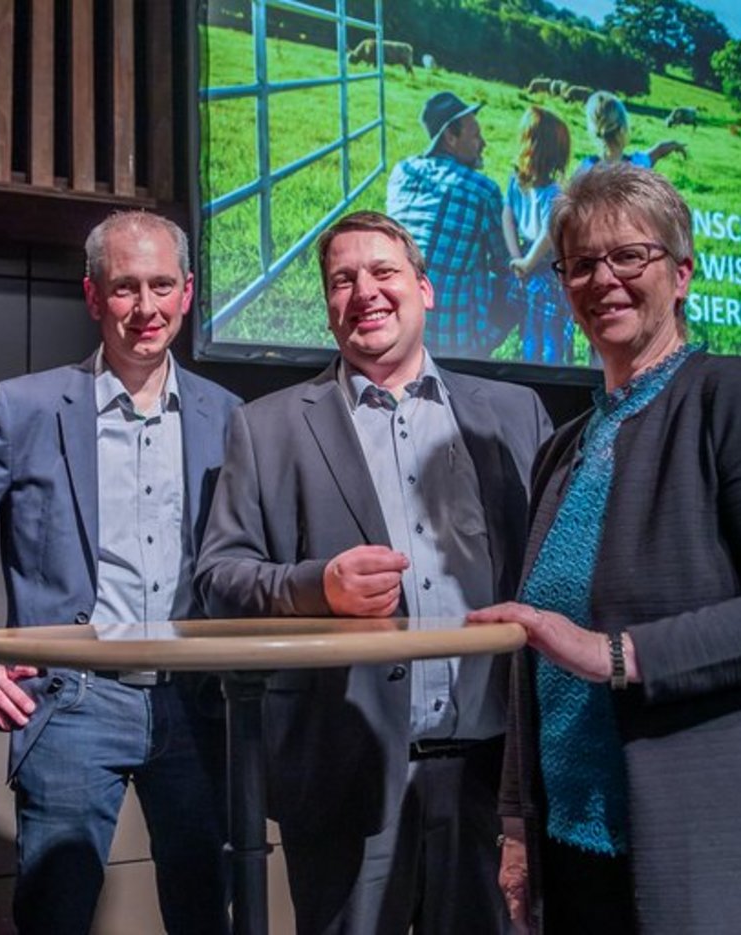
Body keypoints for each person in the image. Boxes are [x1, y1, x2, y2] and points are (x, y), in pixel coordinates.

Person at [468, 163, 741, 934]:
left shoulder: (737, 396)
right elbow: (536, 657)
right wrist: (517, 821)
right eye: (579, 263)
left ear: (680, 274)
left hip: (710, 848)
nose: (601, 279)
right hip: (575, 843)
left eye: (628, 257)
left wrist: (619, 654)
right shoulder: (570, 443)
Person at [195, 210, 550, 934]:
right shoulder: (266, 427)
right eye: (342, 280)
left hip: (495, 778)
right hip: (343, 779)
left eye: (383, 273)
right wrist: (315, 586)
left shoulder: (514, 415)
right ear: (327, 304)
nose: (365, 292)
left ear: (425, 289)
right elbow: (218, 574)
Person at [0, 210, 238, 935]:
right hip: (71, 703)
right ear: (94, 297)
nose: (146, 308)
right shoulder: (27, 407)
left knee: (206, 917)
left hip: (198, 706)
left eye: (162, 285)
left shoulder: (229, 417)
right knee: (55, 918)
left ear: (189, 293)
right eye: (125, 287)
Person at [386, 91, 518, 357]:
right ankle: (482, 348)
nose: (484, 143)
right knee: (520, 280)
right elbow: (505, 263)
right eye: (475, 135)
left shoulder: (402, 172)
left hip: (396, 335)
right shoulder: (481, 189)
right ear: (450, 137)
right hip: (454, 344)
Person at [502, 106, 572, 365]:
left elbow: (507, 217)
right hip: (545, 268)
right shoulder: (553, 192)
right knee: (549, 331)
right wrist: (526, 261)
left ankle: (532, 363)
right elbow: (549, 235)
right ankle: (549, 371)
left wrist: (516, 258)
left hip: (526, 261)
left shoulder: (515, 180)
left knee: (531, 325)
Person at [576, 91, 686, 173]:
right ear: (624, 129)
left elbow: (566, 200)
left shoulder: (585, 169)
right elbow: (659, 150)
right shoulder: (637, 166)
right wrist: (675, 145)